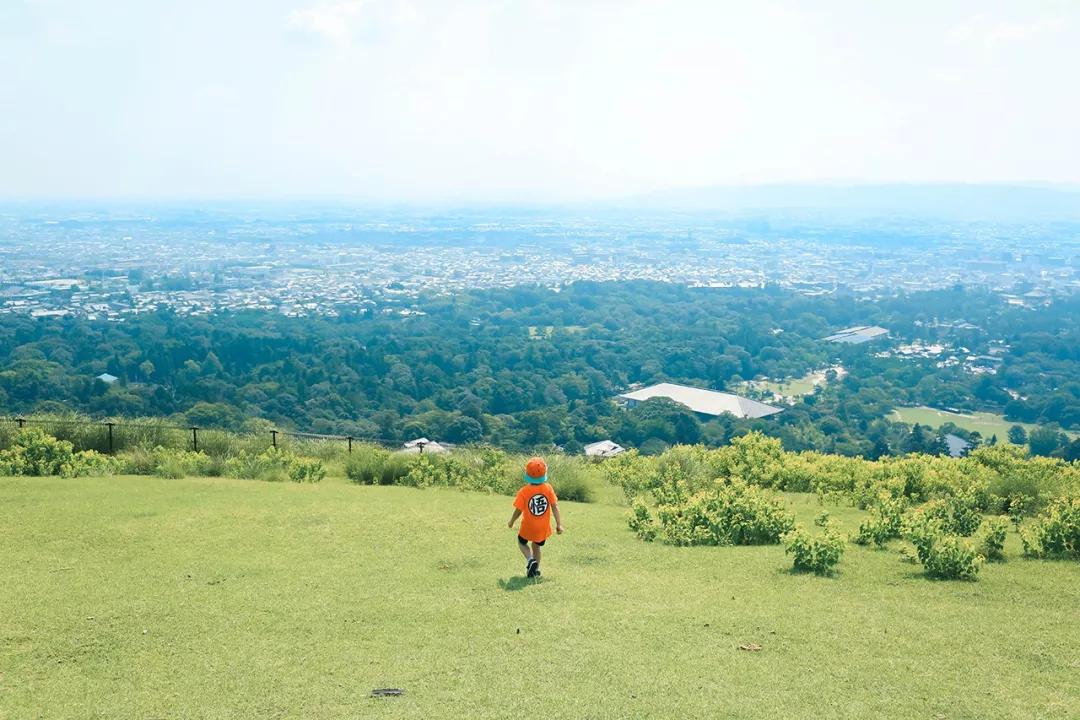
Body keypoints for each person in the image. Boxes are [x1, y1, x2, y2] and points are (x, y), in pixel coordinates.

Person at [507, 456, 563, 578]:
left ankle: (530, 560)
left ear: (527, 474)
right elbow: (555, 506)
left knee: (522, 543)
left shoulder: (524, 491)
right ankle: (534, 570)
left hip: (528, 526)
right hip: (542, 527)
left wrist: (511, 521)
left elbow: (518, 510)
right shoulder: (548, 488)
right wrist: (559, 524)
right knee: (536, 546)